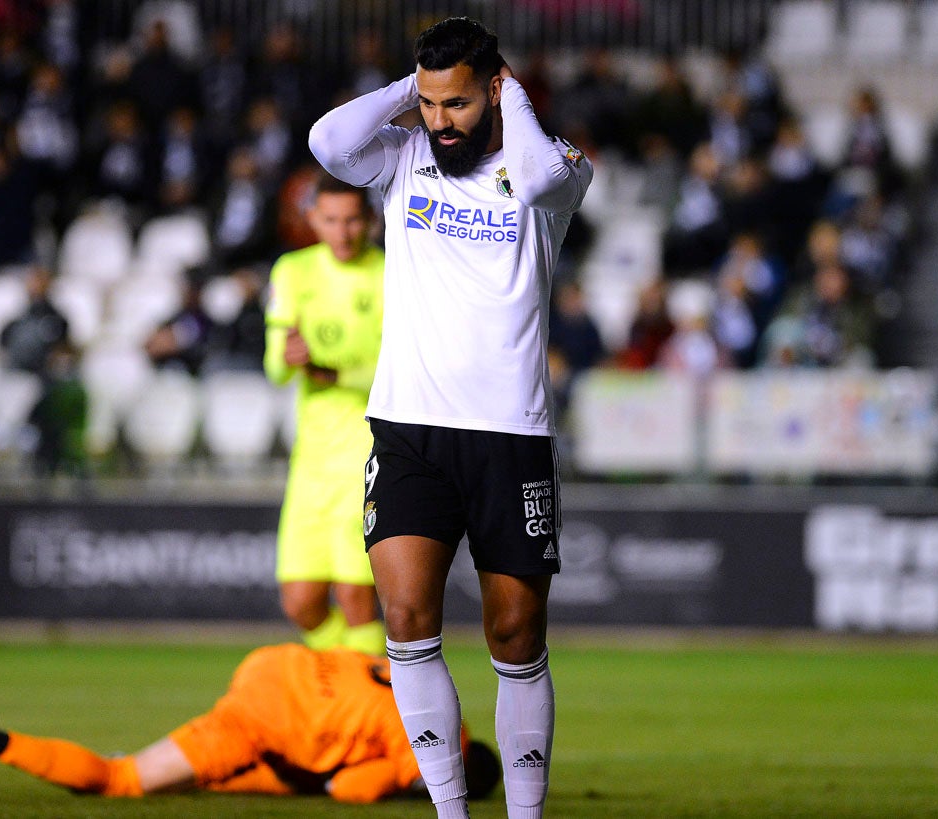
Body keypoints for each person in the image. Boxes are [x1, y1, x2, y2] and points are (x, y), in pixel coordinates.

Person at [309, 17, 592, 818]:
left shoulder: (554, 170)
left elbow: (536, 179)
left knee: (514, 633)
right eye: (430, 105)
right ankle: (449, 811)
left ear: (497, 89)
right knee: (404, 616)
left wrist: (515, 100)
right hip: (408, 429)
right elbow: (328, 142)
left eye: (458, 104)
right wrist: (415, 88)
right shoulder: (402, 162)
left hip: (511, 437)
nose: (440, 121)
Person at [0, 643, 501, 805]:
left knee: (231, 776)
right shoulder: (420, 754)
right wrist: (395, 791)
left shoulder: (441, 705)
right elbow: (347, 788)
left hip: (278, 663)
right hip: (266, 716)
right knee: (119, 779)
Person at [263, 174, 386, 655]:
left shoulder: (391, 274)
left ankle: (370, 716)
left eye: (353, 220)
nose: (342, 232)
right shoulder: (292, 272)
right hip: (311, 461)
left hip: (368, 452)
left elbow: (401, 371)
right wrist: (288, 357)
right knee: (301, 603)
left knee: (357, 596)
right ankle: (365, 683)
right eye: (331, 220)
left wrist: (336, 374)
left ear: (370, 222)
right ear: (312, 219)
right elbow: (275, 368)